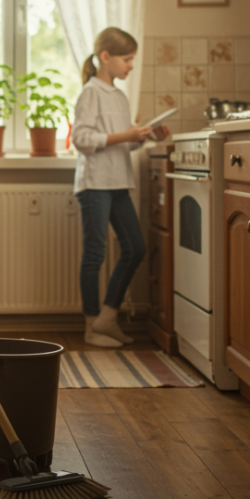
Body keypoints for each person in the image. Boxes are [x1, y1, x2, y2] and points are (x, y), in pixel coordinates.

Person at [71, 27, 170, 348]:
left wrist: (145, 137)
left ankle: (107, 318)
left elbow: (120, 146)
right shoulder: (90, 92)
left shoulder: (120, 96)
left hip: (117, 181)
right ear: (106, 57)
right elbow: (81, 140)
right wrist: (126, 136)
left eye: (132, 59)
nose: (130, 65)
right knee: (94, 255)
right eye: (127, 59)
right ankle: (90, 327)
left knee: (135, 248)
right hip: (95, 184)